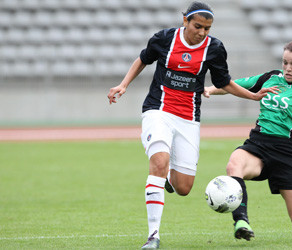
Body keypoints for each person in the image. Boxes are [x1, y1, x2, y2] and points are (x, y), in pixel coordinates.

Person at [107, 1, 278, 248]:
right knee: (159, 162)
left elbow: (224, 81)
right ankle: (153, 236)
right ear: (185, 19)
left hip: (188, 118)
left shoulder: (215, 48)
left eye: (207, 28)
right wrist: (124, 84)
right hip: (158, 110)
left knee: (184, 188)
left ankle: (168, 178)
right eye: (198, 26)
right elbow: (143, 59)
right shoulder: (164, 39)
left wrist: (251, 96)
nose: (202, 32)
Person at [204, 40, 292, 241]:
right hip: (258, 144)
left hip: (287, 153)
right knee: (235, 165)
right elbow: (236, 85)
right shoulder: (271, 77)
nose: (287, 68)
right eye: (285, 62)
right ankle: (241, 221)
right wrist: (211, 89)